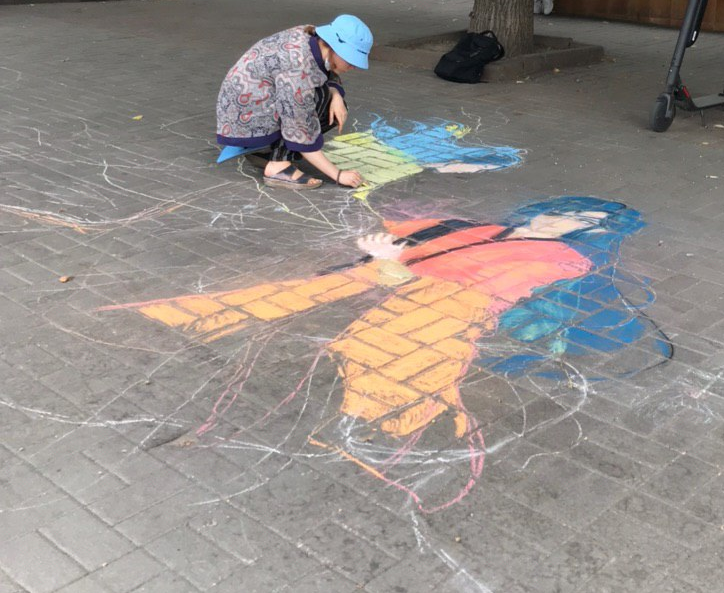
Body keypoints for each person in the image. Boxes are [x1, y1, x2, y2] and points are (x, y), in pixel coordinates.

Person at [122, 196, 671, 511]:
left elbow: (471, 289)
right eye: (564, 211)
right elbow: (392, 236)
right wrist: (378, 252)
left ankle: (378, 424)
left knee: (401, 340)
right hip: (396, 288)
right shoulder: (478, 227)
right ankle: (199, 320)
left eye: (580, 221)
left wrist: (389, 267)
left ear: (591, 233)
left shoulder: (562, 259)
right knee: (306, 300)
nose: (561, 220)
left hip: (438, 310)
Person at [214, 15, 372, 189]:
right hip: (244, 117)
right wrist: (338, 174)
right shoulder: (298, 69)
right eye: (350, 60)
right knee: (316, 100)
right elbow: (298, 126)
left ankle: (267, 151)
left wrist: (336, 95)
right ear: (334, 47)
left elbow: (323, 72)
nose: (353, 66)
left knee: (327, 103)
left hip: (247, 105)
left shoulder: (312, 37)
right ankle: (278, 166)